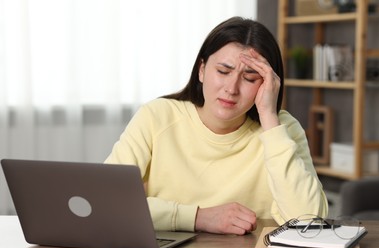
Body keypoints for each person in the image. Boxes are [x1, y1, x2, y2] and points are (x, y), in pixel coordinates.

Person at [105, 16, 328, 235]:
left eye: (250, 78)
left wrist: (269, 118)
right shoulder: (156, 116)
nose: (232, 88)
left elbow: (310, 223)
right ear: (201, 70)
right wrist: (198, 217)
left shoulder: (281, 129)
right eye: (223, 71)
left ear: (269, 84)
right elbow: (106, 201)